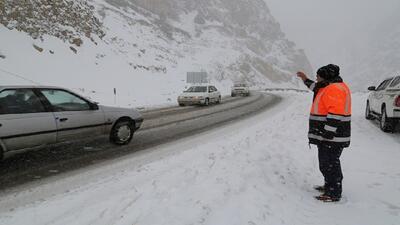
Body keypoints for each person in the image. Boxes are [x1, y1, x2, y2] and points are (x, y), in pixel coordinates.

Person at [297, 64, 351, 202]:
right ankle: (329, 186)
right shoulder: (327, 86)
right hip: (330, 135)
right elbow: (314, 87)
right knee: (327, 163)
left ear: (326, 76)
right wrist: (304, 79)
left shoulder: (334, 89)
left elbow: (335, 113)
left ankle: (333, 193)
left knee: (330, 164)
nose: (316, 78)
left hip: (333, 136)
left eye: (318, 76)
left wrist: (328, 133)